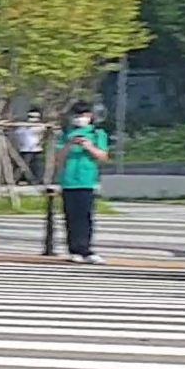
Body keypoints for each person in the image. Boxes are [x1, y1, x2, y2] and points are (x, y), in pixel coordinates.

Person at [57, 101, 110, 263]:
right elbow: (58, 158)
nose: (80, 118)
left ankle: (85, 248)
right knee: (71, 216)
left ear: (90, 116)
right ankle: (74, 249)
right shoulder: (66, 134)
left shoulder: (97, 133)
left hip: (87, 180)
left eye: (84, 115)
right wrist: (69, 144)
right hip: (69, 181)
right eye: (77, 115)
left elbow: (103, 156)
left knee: (85, 216)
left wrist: (88, 146)